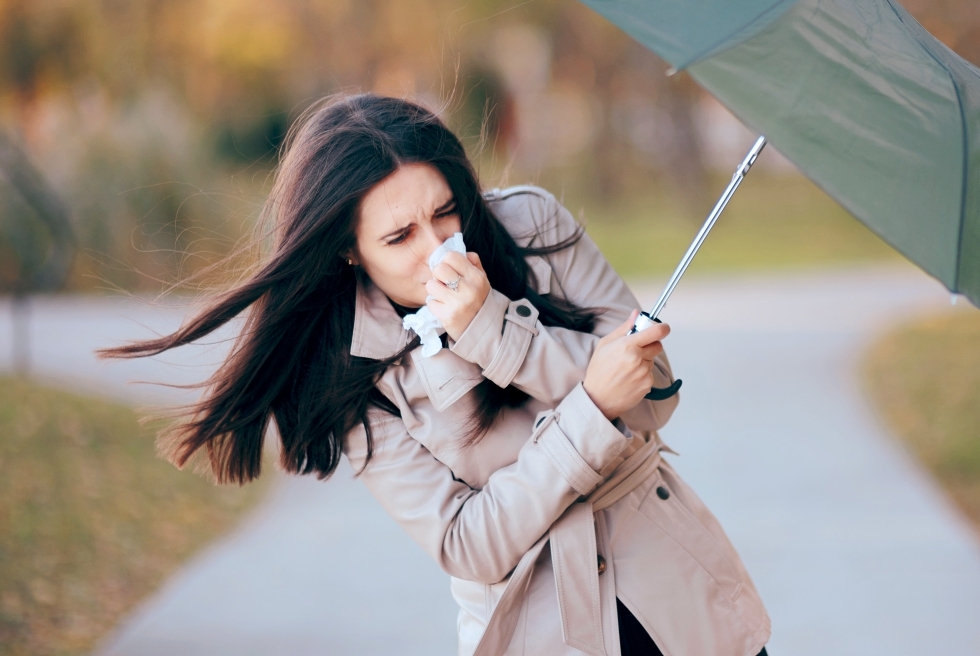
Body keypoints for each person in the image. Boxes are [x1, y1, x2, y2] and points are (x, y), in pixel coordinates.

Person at [103, 93, 770, 656]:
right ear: (348, 249)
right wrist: (592, 406)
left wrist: (497, 334)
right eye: (400, 238)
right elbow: (469, 542)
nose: (439, 248)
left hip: (680, 599)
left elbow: (651, 399)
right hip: (538, 629)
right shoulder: (347, 376)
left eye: (445, 212)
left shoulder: (530, 223)